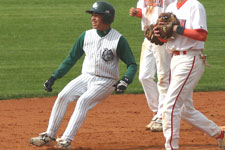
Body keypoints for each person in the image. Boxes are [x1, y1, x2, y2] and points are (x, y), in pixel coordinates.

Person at [29, 1, 137, 149]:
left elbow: (132, 64)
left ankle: (66, 140)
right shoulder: (86, 36)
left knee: (83, 101)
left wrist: (125, 80)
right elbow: (71, 59)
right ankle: (50, 135)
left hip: (106, 81)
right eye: (92, 15)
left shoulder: (118, 39)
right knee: (63, 95)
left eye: (97, 15)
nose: (93, 18)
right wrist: (54, 77)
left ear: (107, 18)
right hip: (85, 77)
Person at [153, 0, 225, 149]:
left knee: (170, 106)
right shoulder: (171, 7)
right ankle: (220, 135)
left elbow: (201, 35)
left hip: (190, 59)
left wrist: (176, 28)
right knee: (185, 110)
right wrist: (160, 35)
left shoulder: (194, 6)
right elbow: (168, 38)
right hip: (174, 59)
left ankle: (171, 147)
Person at [129, 0, 175, 132]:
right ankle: (157, 111)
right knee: (144, 76)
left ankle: (162, 116)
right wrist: (135, 12)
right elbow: (143, 12)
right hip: (148, 37)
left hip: (162, 37)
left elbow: (174, 14)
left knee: (163, 77)